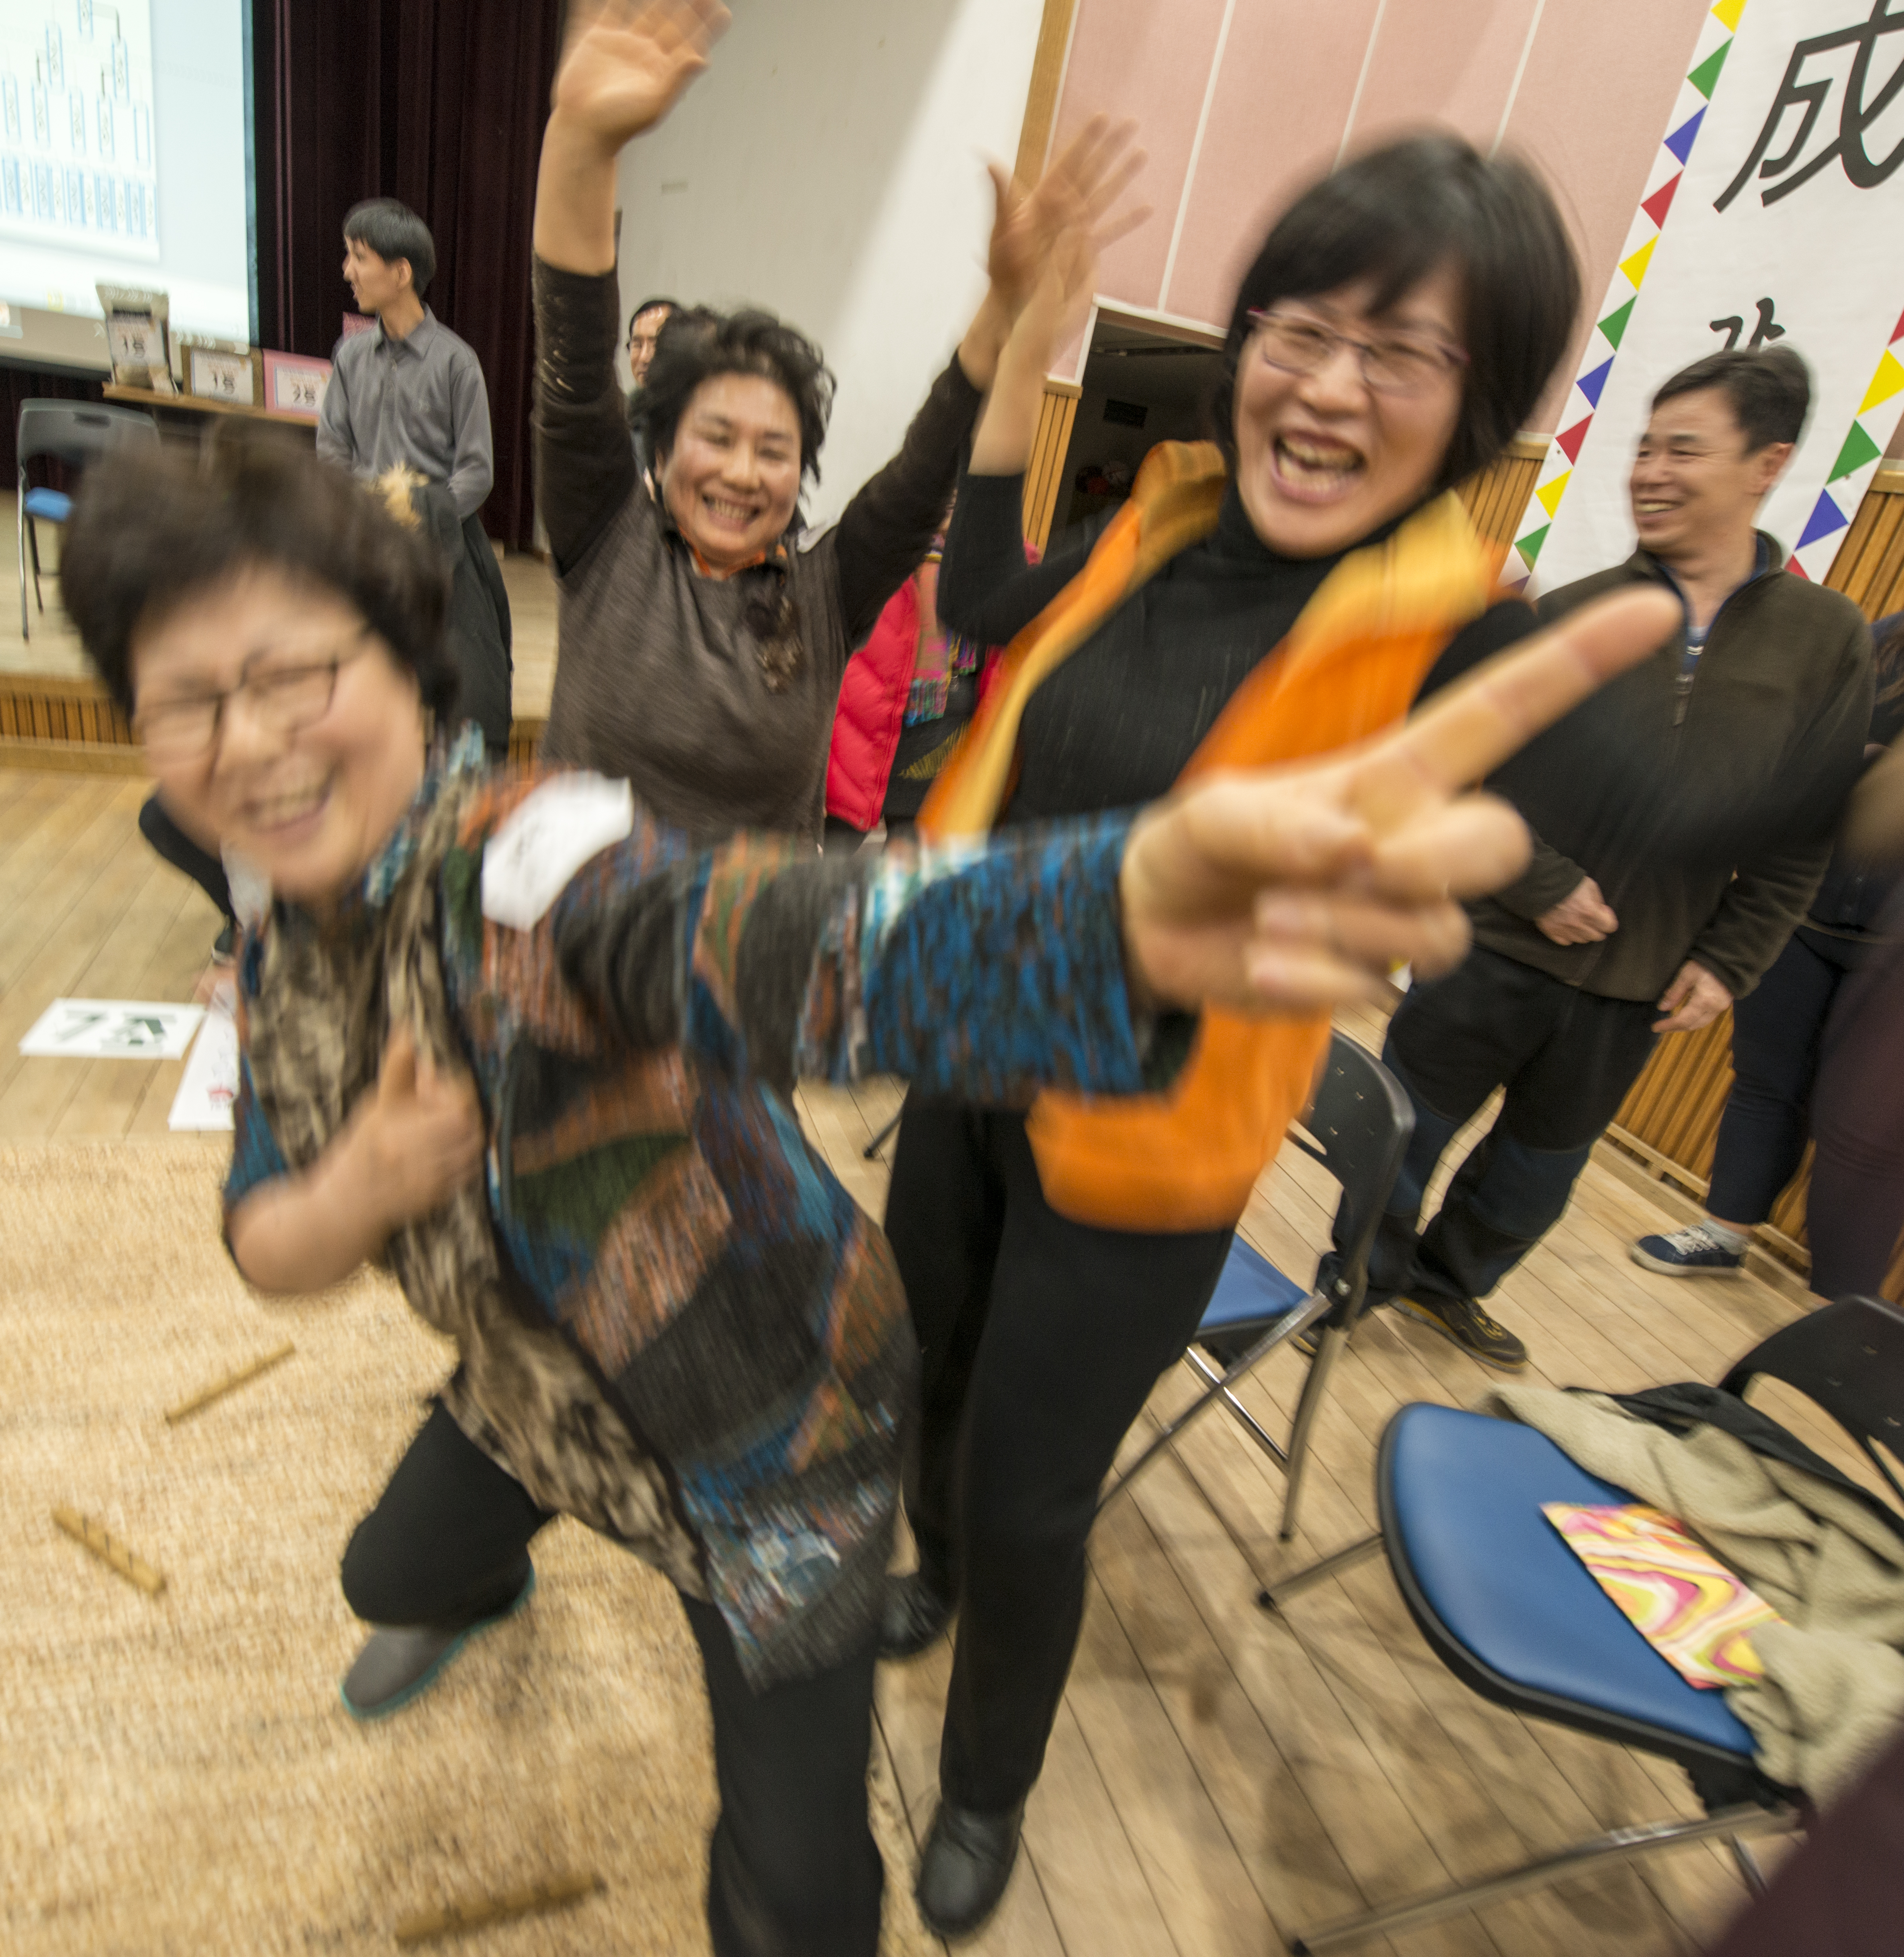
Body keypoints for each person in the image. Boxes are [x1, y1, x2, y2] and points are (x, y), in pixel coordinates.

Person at [57, 433, 1667, 1957]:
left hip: (777, 1439)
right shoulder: (279, 946)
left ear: (409, 667)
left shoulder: (528, 861)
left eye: (296, 676)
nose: (249, 743)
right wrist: (364, 1180)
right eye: (186, 703)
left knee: (795, 1900)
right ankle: (485, 1571)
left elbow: (774, 937)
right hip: (537, 1394)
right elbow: (265, 1230)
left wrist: (1095, 927)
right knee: (385, 1579)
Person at [877, 129, 1589, 1935]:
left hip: (1147, 1136)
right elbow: (975, 597)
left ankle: (984, 1783)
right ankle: (926, 1571)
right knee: (924, 1370)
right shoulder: (1163, 521)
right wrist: (1013, 320)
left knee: (1033, 1491)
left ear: (1477, 407)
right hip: (970, 1043)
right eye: (1299, 327)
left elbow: (1521, 798)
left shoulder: (1448, 635)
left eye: (1399, 353)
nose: (1327, 387)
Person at [1357, 344, 1874, 1373]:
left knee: (1535, 1176)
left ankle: (1444, 1290)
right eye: (1642, 448)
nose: (1649, 472)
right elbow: (1457, 772)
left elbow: (1802, 827)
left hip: (1638, 981)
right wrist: (1539, 882)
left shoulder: (1826, 639)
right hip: (1488, 942)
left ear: (1767, 464)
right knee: (1400, 1131)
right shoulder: (1569, 612)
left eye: (1682, 450)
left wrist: (1729, 960)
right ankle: (1355, 1279)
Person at [531, 2, 1143, 845]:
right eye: (717, 437)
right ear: (661, 452)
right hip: (576, 920)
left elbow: (923, 469)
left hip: (749, 929)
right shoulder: (606, 537)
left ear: (800, 474)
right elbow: (571, 364)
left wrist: (1003, 307)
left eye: (773, 449)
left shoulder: (824, 594)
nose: (742, 470)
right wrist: (581, 144)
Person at [1633, 616, 1904, 1296]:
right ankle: (1724, 1233)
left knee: (1861, 1138)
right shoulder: (1880, 641)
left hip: (1892, 954)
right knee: (1763, 1079)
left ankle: (1840, 1311)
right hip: (1806, 911)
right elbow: (1803, 747)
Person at [318, 196, 513, 755]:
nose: (348, 271)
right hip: (366, 544)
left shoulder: (457, 362)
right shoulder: (350, 357)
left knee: (469, 690)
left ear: (401, 272)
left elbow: (476, 471)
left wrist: (420, 517)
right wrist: (371, 513)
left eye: (359, 257)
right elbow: (332, 450)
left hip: (442, 550)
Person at [822, 507, 1026, 851]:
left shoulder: (1003, 568)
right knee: (826, 863)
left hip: (940, 757)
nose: (953, 498)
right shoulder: (881, 553)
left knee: (906, 870)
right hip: (867, 751)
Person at [624, 292, 677, 470]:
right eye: (637, 345)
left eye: (655, 344)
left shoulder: (695, 420)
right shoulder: (618, 423)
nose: (644, 358)